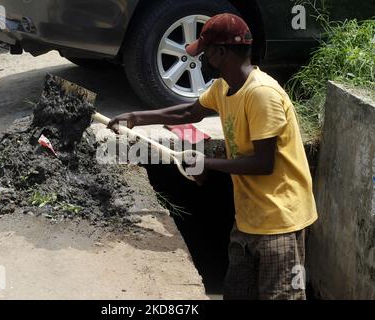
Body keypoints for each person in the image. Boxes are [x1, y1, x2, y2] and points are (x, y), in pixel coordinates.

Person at [107, 13, 318, 300]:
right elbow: (188, 112)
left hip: (280, 220)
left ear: (221, 53)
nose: (200, 60)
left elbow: (263, 163)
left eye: (204, 53)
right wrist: (135, 117)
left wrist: (207, 163)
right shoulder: (224, 87)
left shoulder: (261, 95)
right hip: (249, 219)